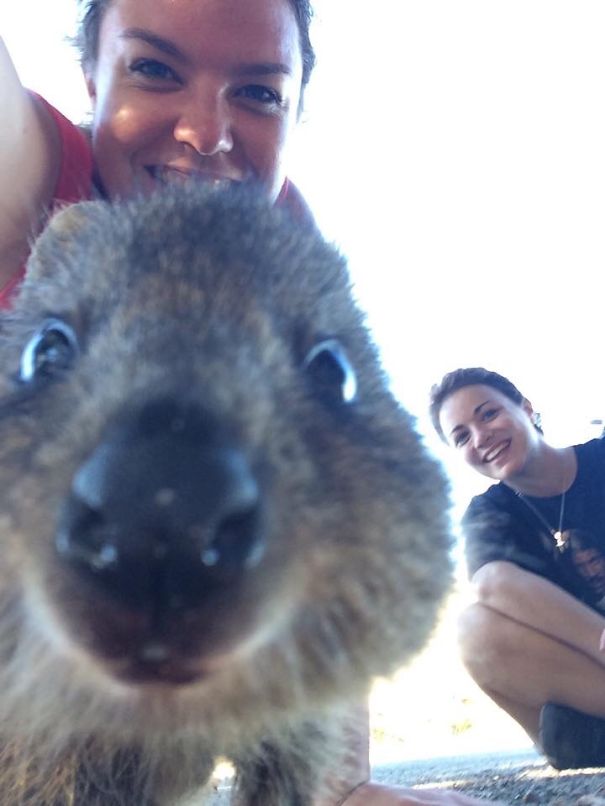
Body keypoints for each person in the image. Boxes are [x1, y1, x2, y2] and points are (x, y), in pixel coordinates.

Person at [0, 2, 490, 804]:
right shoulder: (34, 179)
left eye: (259, 93)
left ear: (296, 111)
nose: (206, 131)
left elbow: (360, 490)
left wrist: (338, 779)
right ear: (91, 75)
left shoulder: (285, 247)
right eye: (153, 69)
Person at [430, 366, 605, 770]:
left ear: (526, 408)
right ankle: (575, 744)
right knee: (473, 629)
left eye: (488, 414)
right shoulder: (489, 513)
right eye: (461, 437)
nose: (480, 436)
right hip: (589, 666)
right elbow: (494, 582)